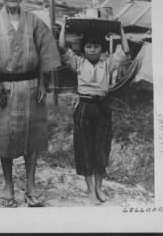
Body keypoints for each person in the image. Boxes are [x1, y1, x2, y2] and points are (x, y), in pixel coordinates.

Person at [0, 0, 61, 207]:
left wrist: (44, 81)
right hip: (3, 87)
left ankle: (31, 185)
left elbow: (46, 50)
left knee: (33, 136)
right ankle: (8, 185)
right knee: (4, 137)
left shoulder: (34, 21)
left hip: (31, 86)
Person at [59, 21, 129, 204]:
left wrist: (120, 29)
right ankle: (90, 191)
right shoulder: (79, 63)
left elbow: (125, 50)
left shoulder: (107, 64)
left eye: (96, 46)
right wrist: (65, 26)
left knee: (101, 149)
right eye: (88, 46)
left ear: (102, 49)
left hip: (102, 108)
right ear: (83, 50)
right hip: (84, 108)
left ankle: (99, 188)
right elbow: (62, 47)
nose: (92, 50)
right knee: (85, 149)